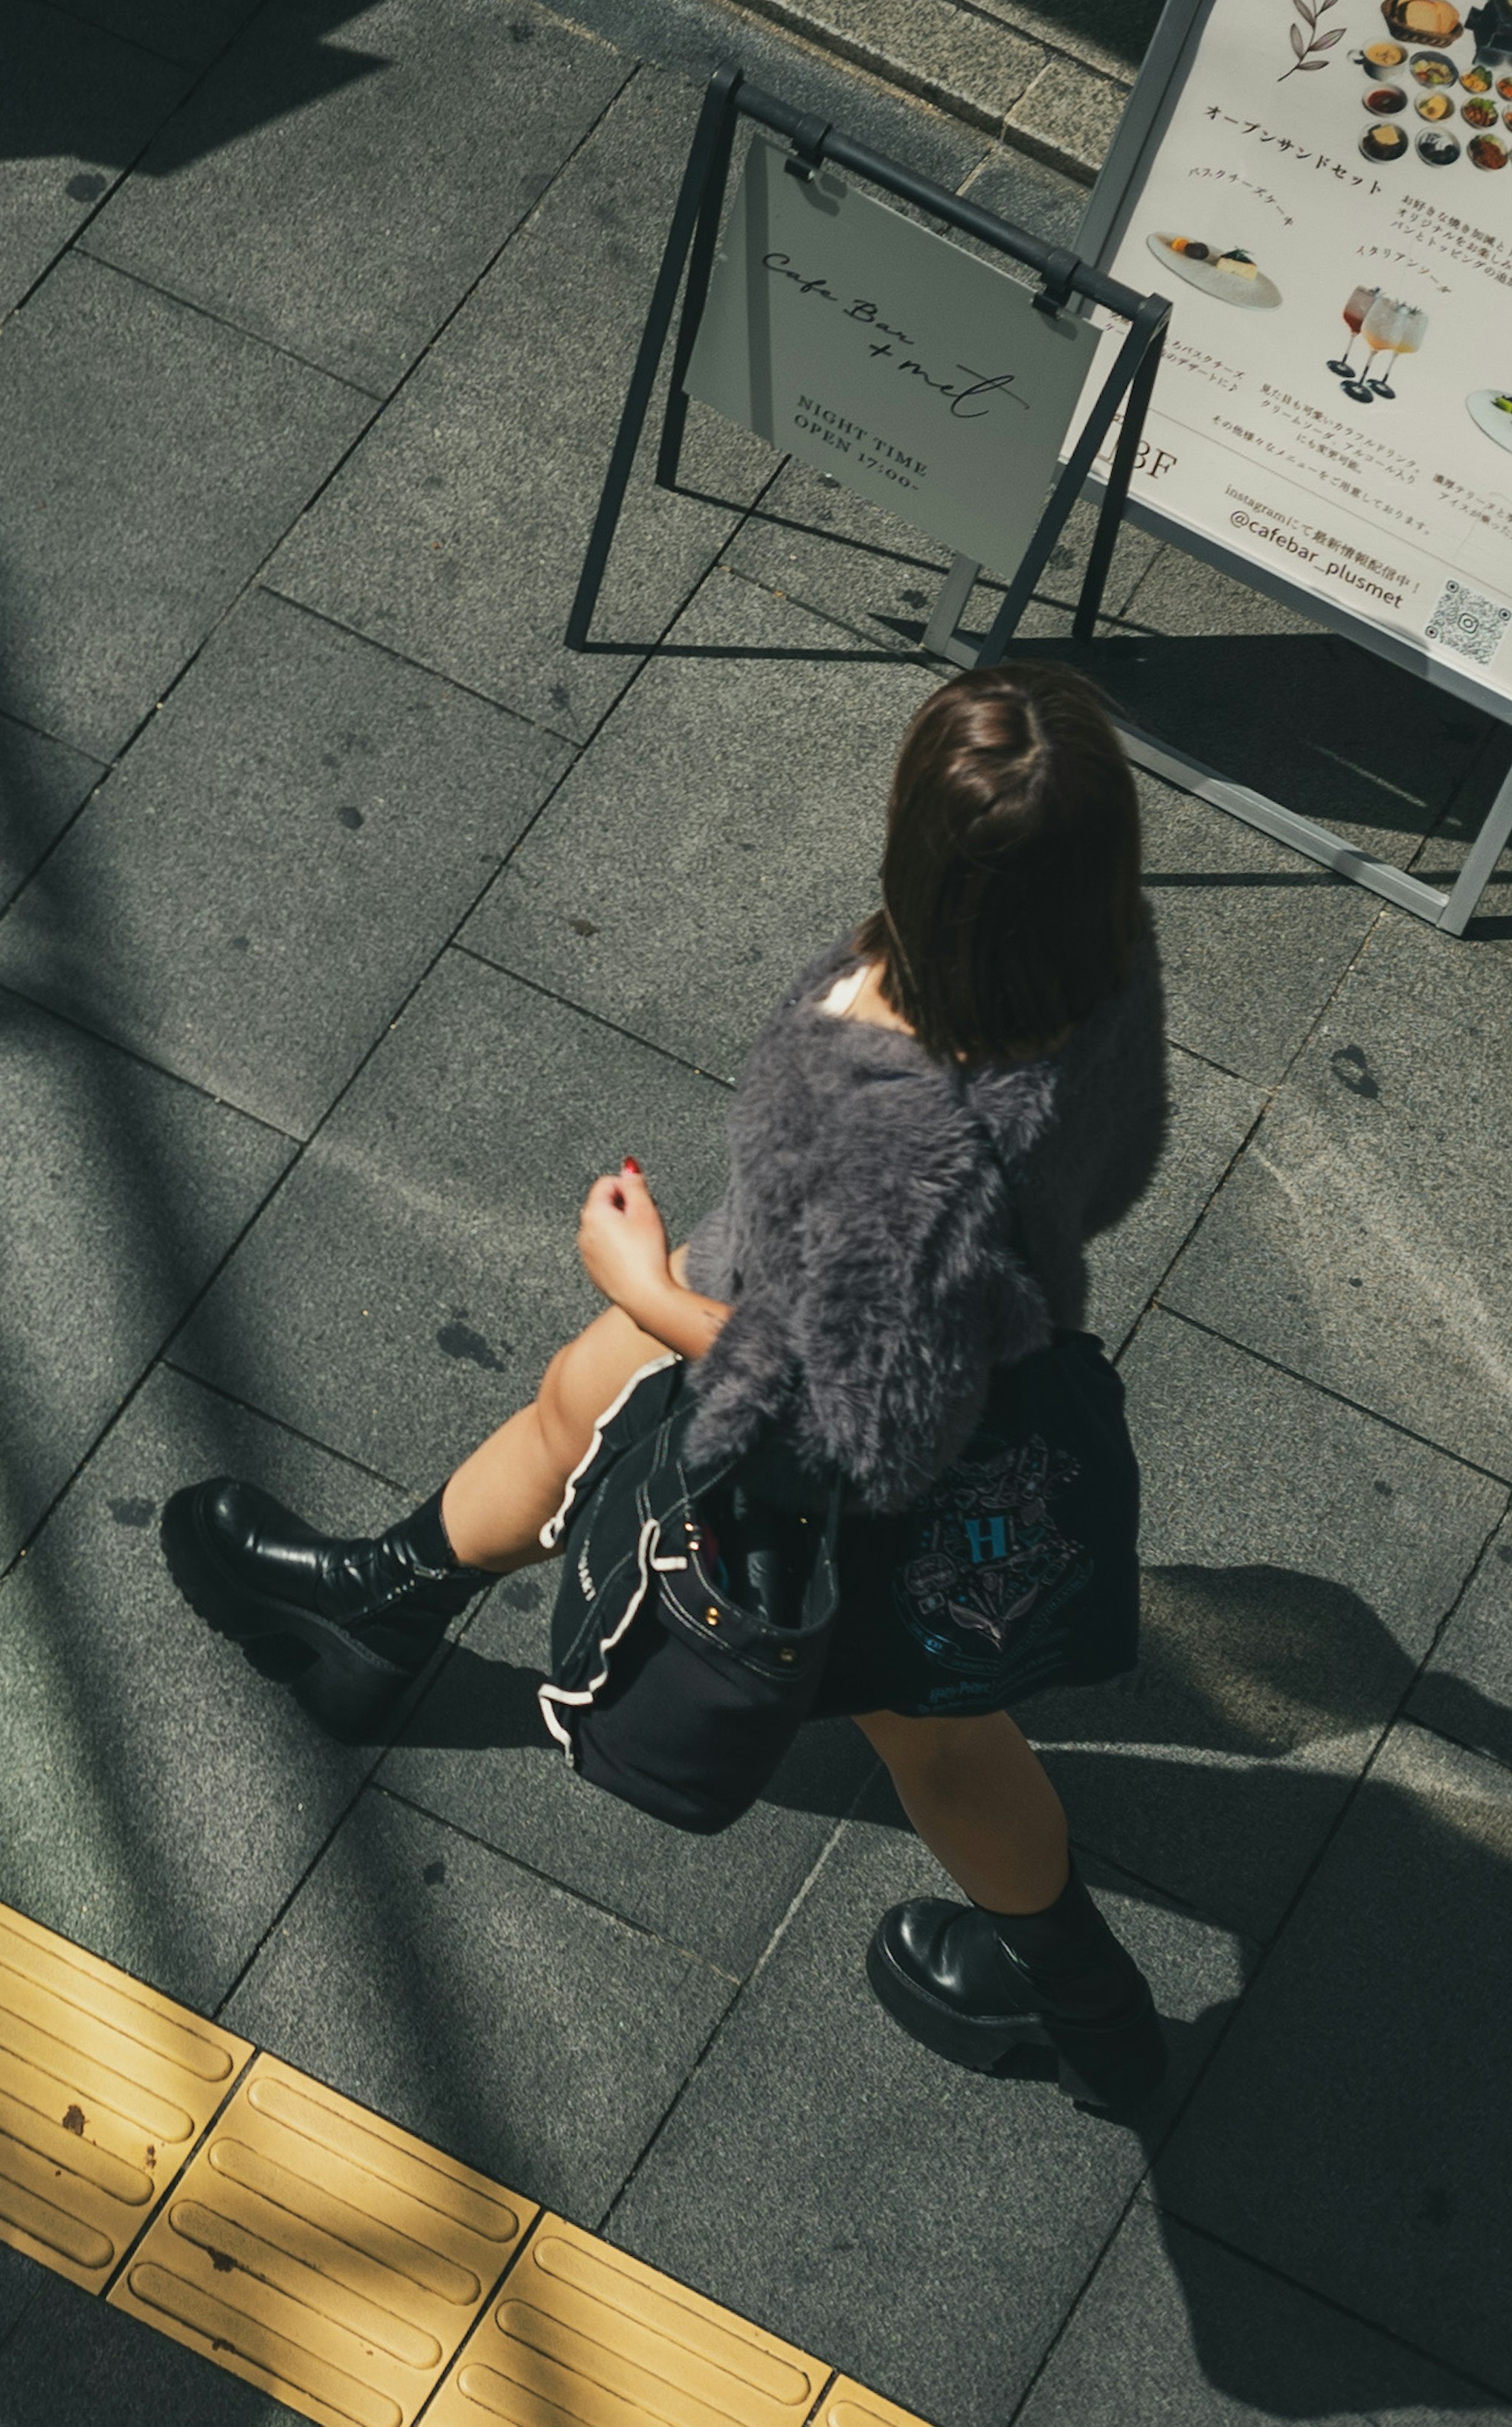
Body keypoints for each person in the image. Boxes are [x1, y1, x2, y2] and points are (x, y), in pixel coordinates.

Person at [168, 663, 1171, 2103]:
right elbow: (1114, 1157)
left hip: (844, 1402)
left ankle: (1096, 2015)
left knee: (943, 1745)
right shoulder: (1104, 966)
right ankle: (376, 1613)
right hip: (954, 1333)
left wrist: (645, 1285)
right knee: (581, 1402)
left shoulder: (888, 1110)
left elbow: (860, 1400)